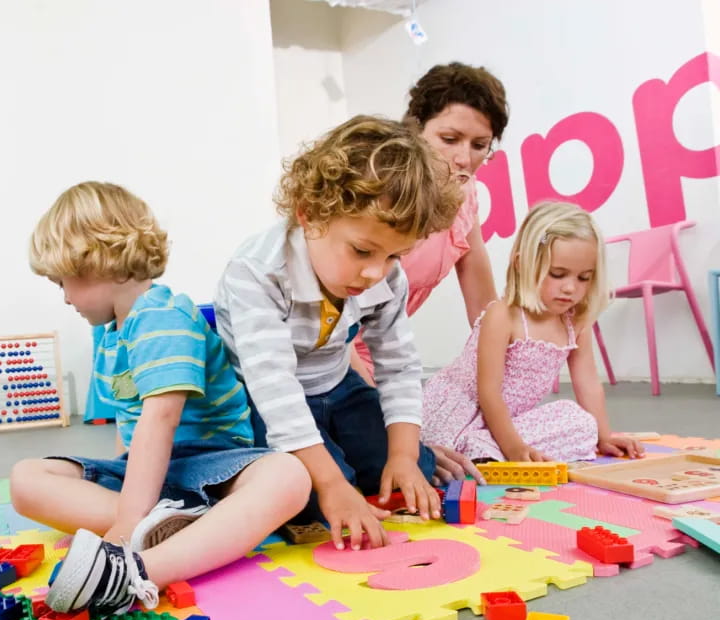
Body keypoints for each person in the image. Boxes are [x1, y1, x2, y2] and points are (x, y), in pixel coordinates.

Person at [11, 181, 311, 618]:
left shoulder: (162, 315)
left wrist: (126, 522)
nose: (65, 298)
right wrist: (130, 498)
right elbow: (131, 428)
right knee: (26, 478)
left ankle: (137, 569)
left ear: (94, 262)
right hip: (153, 476)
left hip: (209, 462)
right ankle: (189, 530)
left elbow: (161, 419)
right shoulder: (114, 331)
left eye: (63, 282)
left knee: (288, 476)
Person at [214, 115, 462, 552]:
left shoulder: (386, 274)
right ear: (310, 215)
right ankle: (230, 476)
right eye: (363, 251)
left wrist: (403, 455)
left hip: (336, 386)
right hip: (264, 400)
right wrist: (330, 483)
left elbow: (399, 365)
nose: (374, 273)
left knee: (413, 465)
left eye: (394, 256)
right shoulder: (257, 271)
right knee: (312, 495)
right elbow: (275, 390)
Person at [421, 201, 645, 463]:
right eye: (558, 274)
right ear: (521, 264)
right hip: (457, 416)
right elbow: (488, 393)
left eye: (584, 277)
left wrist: (604, 435)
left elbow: (588, 383)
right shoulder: (503, 315)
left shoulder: (577, 322)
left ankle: (483, 451)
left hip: (504, 424)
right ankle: (472, 450)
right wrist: (514, 447)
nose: (571, 288)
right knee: (486, 441)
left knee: (583, 423)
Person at [353, 61, 509, 379]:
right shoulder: (379, 191)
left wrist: (509, 377)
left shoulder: (465, 194)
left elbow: (483, 308)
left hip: (382, 355)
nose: (464, 159)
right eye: (449, 139)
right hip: (324, 350)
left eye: (480, 146)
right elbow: (326, 322)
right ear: (415, 130)